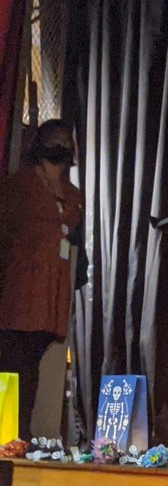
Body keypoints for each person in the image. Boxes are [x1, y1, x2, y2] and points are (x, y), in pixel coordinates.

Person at [0, 120, 84, 440]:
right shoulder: (19, 184)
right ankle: (10, 432)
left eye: (66, 139)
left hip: (51, 290)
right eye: (55, 138)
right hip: (21, 286)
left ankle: (20, 433)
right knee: (12, 363)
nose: (60, 144)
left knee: (32, 365)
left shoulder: (73, 194)